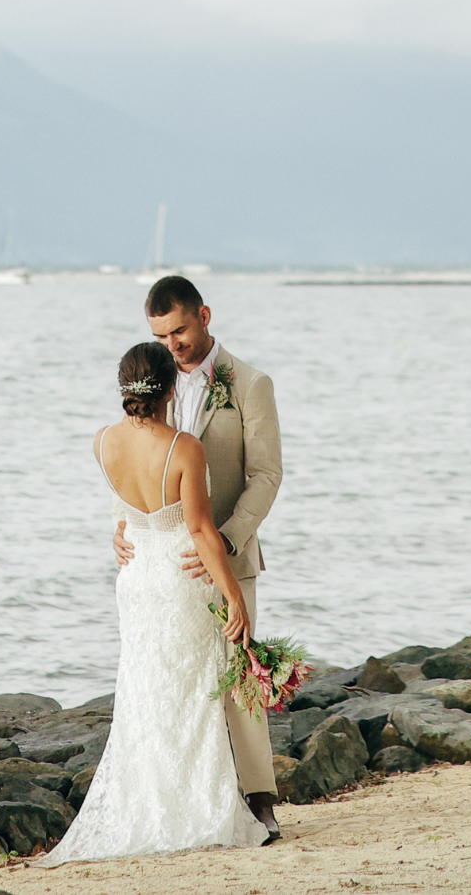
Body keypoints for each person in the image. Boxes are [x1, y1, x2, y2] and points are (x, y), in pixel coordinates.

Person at [38, 341, 270, 864]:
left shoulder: (101, 442)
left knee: (145, 691)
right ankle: (197, 809)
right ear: (170, 388)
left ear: (124, 388)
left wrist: (119, 532)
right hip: (179, 577)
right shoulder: (184, 447)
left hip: (136, 577)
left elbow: (125, 511)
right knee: (191, 695)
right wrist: (235, 595)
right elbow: (201, 530)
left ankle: (146, 804)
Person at [118, 275, 283, 835]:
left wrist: (230, 539)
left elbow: (266, 475)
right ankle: (190, 799)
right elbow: (139, 466)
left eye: (180, 330)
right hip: (166, 563)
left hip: (227, 555)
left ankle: (260, 796)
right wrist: (124, 528)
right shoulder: (151, 380)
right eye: (161, 336)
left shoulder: (250, 384)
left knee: (241, 678)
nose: (173, 345)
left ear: (205, 316)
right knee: (181, 681)